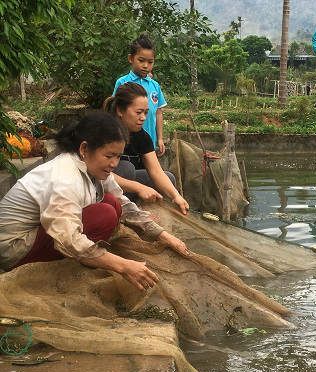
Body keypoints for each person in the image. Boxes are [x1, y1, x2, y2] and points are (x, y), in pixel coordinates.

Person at [0, 111, 187, 292]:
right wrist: (123, 266)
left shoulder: (94, 169)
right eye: (108, 156)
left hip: (38, 232)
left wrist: (163, 235)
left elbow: (123, 204)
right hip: (14, 248)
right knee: (103, 215)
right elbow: (68, 239)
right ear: (84, 149)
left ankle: (91, 256)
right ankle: (80, 261)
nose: (114, 164)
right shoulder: (65, 177)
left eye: (118, 156)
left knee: (112, 203)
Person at [104, 82, 189, 215]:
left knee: (169, 178)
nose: (143, 118)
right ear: (120, 110)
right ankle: (120, 211)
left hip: (125, 185)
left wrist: (176, 196)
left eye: (146, 113)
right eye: (138, 112)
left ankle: (137, 209)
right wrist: (138, 187)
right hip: (100, 185)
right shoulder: (103, 131)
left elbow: (156, 171)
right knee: (127, 168)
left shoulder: (142, 136)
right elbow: (98, 174)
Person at [113, 34, 166, 156]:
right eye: (141, 60)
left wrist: (160, 138)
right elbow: (114, 112)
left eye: (150, 62)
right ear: (131, 58)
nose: (146, 65)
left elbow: (158, 112)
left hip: (149, 144)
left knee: (150, 172)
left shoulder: (155, 86)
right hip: (127, 144)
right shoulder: (122, 83)